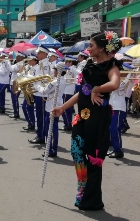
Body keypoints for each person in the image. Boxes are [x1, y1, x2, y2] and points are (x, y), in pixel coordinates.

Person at [52, 32, 123, 211]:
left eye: (91, 45)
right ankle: (82, 186)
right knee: (76, 152)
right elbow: (82, 92)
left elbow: (115, 84)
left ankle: (92, 200)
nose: (88, 49)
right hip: (81, 117)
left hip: (97, 118)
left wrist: (97, 88)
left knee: (93, 158)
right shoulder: (90, 64)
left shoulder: (111, 66)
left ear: (102, 48)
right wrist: (63, 108)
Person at [36, 65, 65, 157]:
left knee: (51, 130)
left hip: (52, 107)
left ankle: (52, 150)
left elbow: (44, 91)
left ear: (58, 71)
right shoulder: (61, 80)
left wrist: (36, 85)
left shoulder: (56, 82)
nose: (54, 72)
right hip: (54, 105)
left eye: (55, 70)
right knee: (52, 129)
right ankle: (52, 149)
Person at [108, 63, 133, 159]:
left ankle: (118, 150)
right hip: (113, 106)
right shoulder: (119, 79)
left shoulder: (125, 80)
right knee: (112, 129)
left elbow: (115, 86)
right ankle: (116, 149)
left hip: (119, 107)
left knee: (115, 129)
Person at [28, 46, 52, 144]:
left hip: (41, 94)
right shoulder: (41, 64)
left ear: (44, 54)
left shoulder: (45, 65)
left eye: (39, 53)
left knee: (41, 116)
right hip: (38, 93)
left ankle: (41, 136)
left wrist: (31, 79)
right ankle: (40, 134)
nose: (37, 54)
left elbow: (44, 79)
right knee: (39, 115)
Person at [61, 55, 79, 130]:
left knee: (65, 109)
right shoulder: (70, 69)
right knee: (67, 109)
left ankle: (67, 124)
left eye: (66, 62)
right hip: (68, 90)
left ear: (70, 62)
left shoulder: (72, 70)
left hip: (68, 90)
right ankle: (68, 124)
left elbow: (69, 80)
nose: (65, 63)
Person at [8, 52, 26, 120]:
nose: (16, 57)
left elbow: (12, 69)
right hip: (14, 82)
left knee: (14, 99)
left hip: (17, 83)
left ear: (21, 57)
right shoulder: (17, 63)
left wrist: (8, 63)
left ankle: (16, 113)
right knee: (13, 99)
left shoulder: (20, 64)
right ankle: (15, 112)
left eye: (18, 56)